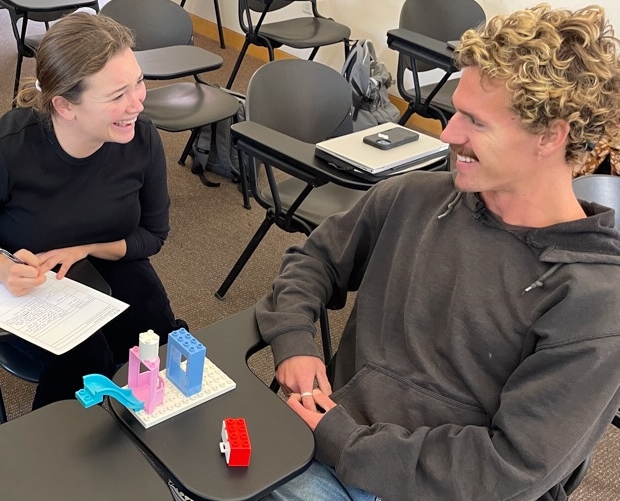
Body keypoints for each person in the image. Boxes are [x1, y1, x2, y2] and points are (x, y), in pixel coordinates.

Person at [258, 5, 620, 500]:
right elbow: (314, 259)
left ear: (550, 136)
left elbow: (509, 469)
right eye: (455, 111)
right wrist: (294, 342)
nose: (448, 134)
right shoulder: (413, 197)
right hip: (331, 444)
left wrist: (344, 442)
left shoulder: (595, 300)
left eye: (475, 121)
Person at [0, 12, 183, 409]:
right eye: (117, 94)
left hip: (103, 262)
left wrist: (86, 249)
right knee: (88, 366)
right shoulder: (1, 151)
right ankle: (62, 460)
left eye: (138, 81)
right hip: (27, 281)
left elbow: (154, 234)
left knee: (155, 342)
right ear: (65, 106)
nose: (138, 102)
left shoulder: (140, 140)